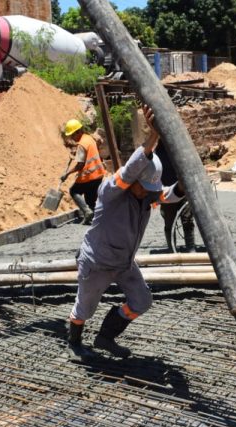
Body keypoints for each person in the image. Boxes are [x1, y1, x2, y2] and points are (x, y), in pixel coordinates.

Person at [67, 105, 185, 360]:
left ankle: (105, 337)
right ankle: (74, 343)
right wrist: (153, 137)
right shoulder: (110, 192)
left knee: (142, 301)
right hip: (97, 262)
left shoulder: (147, 195)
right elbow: (131, 169)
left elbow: (167, 194)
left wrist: (185, 185)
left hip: (123, 262)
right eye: (142, 186)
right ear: (133, 183)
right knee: (84, 308)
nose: (147, 191)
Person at [61, 119, 106, 225]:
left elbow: (80, 164)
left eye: (72, 135)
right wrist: (76, 152)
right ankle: (92, 218)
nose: (72, 138)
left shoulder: (81, 144)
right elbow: (89, 153)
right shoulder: (89, 139)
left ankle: (86, 212)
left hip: (89, 175)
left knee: (74, 191)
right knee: (90, 200)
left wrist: (67, 174)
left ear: (78, 132)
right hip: (98, 174)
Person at [155, 143, 196, 253]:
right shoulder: (157, 152)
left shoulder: (180, 146)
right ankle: (172, 250)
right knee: (169, 223)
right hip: (167, 192)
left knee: (187, 220)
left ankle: (191, 249)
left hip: (183, 190)